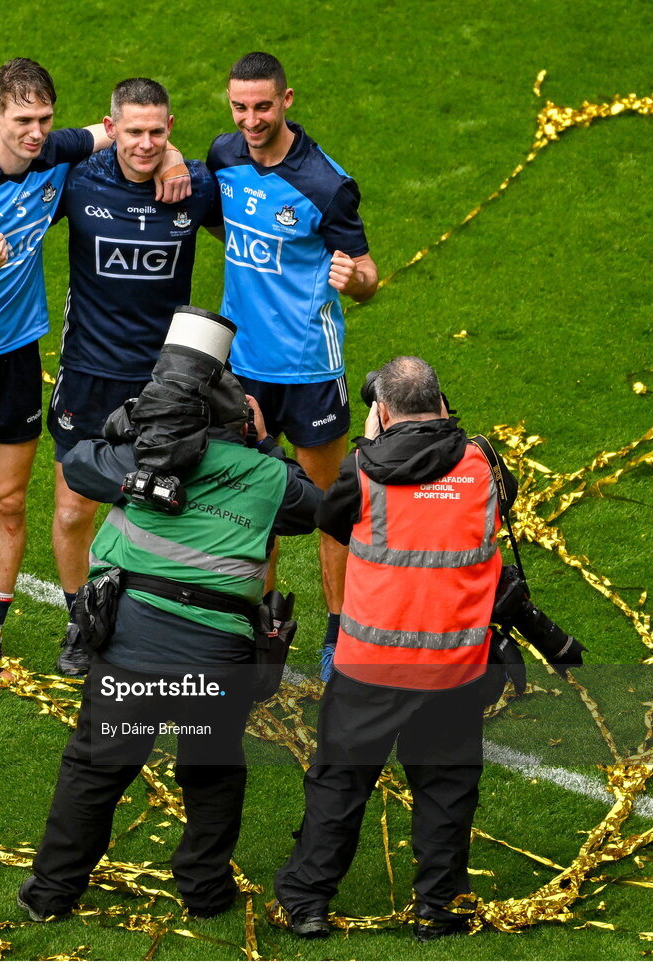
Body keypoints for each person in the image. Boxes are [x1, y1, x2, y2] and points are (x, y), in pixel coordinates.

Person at [0, 58, 191, 694]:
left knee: (7, 502)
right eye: (21, 120)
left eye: (44, 119)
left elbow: (134, 130)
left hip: (16, 360)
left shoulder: (57, 153)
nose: (35, 133)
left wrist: (173, 161)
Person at [18, 332, 322, 920]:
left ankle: (51, 894)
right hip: (218, 654)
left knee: (96, 771)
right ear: (241, 419)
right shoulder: (266, 475)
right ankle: (206, 894)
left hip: (134, 642)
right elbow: (311, 507)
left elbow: (79, 464)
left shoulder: (143, 459)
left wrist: (133, 427)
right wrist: (267, 446)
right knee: (211, 773)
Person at [273, 356, 517, 942]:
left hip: (370, 669)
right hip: (455, 667)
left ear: (380, 412)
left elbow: (329, 521)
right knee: (447, 790)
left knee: (339, 783)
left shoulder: (361, 471)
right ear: (441, 401)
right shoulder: (486, 465)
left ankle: (308, 901)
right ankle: (442, 908)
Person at [206, 51, 378, 671]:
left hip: (309, 368)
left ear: (287, 101)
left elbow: (367, 275)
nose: (251, 120)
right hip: (243, 365)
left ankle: (339, 633)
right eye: (240, 107)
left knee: (329, 504)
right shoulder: (223, 156)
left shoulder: (326, 184)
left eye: (262, 106)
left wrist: (353, 279)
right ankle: (262, 624)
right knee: (252, 499)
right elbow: (226, 225)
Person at [49, 77, 221, 677]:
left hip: (165, 385)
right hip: (87, 375)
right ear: (111, 127)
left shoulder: (196, 188)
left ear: (170, 128)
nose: (145, 144)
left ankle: (157, 627)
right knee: (73, 510)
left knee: (163, 508)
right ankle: (80, 618)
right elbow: (7, 148)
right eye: (134, 132)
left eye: (157, 133)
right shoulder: (77, 180)